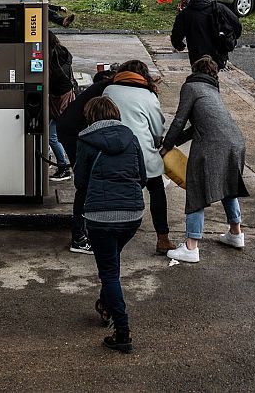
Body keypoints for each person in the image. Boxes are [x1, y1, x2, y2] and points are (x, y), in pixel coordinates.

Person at [74, 96, 147, 354]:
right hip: (132, 215)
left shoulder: (85, 141)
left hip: (100, 217)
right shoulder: (131, 137)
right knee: (112, 261)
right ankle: (105, 304)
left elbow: (80, 184)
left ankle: (123, 331)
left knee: (110, 272)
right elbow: (143, 178)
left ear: (90, 116)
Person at [162, 56, 249, 263]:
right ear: (213, 74)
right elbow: (196, 126)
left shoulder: (191, 86)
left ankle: (191, 247)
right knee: (229, 186)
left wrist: (166, 146)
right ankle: (236, 234)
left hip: (212, 145)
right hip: (235, 141)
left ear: (194, 70)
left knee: (197, 190)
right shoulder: (213, 90)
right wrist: (173, 143)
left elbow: (180, 120)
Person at [103, 60, 177, 255]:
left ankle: (112, 234)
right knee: (156, 190)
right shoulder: (149, 95)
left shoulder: (109, 91)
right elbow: (157, 129)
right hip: (143, 153)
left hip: (114, 153)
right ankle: (162, 238)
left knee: (115, 192)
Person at [57, 69, 116, 254]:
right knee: (84, 185)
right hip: (74, 133)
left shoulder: (107, 86)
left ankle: (84, 232)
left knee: (87, 184)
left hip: (73, 130)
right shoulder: (113, 89)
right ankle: (79, 237)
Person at [171, 0, 242, 69]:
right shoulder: (218, 8)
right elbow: (236, 24)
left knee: (198, 72)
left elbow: (177, 35)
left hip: (196, 53)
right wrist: (232, 38)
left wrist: (179, 45)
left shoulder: (185, 14)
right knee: (214, 72)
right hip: (217, 52)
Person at [47, 31, 76, 182]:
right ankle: (60, 163)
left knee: (52, 136)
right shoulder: (63, 52)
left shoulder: (51, 57)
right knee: (51, 133)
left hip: (58, 98)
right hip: (65, 95)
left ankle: (63, 166)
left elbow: (48, 78)